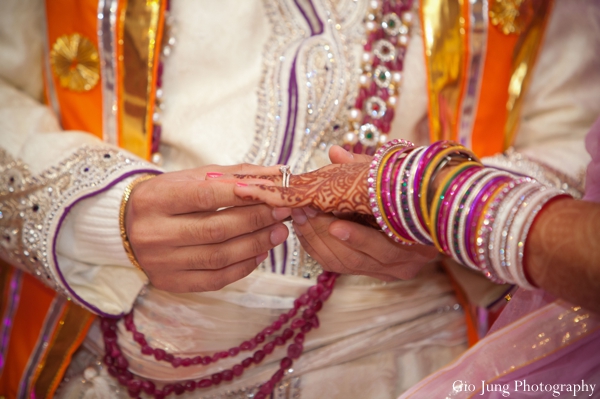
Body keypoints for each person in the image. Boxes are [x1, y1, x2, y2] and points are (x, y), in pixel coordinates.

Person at [0, 0, 599, 398]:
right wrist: (105, 213)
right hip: (107, 352)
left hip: (411, 365)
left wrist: (440, 212)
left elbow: (580, 140)